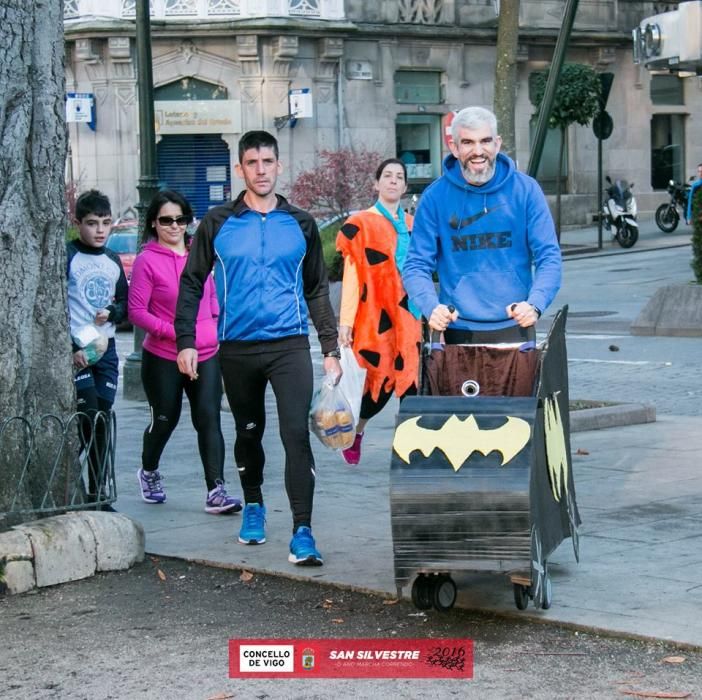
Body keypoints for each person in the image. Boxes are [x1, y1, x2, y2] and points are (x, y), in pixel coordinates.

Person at [175, 130, 341, 567]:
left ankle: (303, 531)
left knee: (294, 435)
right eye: (252, 163)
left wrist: (330, 348)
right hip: (237, 348)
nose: (261, 170)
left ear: (279, 165)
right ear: (240, 169)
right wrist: (186, 341)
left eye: (268, 161)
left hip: (289, 346)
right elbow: (191, 283)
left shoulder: (301, 223)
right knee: (248, 432)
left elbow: (317, 290)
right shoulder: (217, 223)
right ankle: (253, 504)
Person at [402, 106, 562, 343]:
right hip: (458, 328)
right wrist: (431, 307)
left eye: (485, 141)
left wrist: (535, 304)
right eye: (468, 142)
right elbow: (415, 265)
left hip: (517, 324)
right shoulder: (435, 197)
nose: (478, 151)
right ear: (454, 148)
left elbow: (549, 256)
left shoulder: (526, 190)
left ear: (497, 144)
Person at [128, 190, 241, 514]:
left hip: (205, 353)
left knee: (209, 418)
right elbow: (136, 311)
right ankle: (148, 470)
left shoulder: (198, 254)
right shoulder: (147, 261)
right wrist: (175, 333)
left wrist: (215, 326)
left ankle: (216, 490)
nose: (175, 226)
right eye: (166, 220)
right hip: (164, 355)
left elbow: (211, 297)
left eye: (181, 219)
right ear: (154, 222)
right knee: (165, 419)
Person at [336, 158, 421, 465]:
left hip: (410, 317)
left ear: (406, 186)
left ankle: (411, 449)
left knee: (411, 380)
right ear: (376, 183)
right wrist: (345, 323)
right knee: (377, 382)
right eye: (387, 175)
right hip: (374, 317)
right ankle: (357, 431)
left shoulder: (414, 225)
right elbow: (352, 276)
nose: (393, 181)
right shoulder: (361, 224)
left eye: (400, 177)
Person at [67, 189, 128, 508]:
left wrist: (113, 313)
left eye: (106, 223)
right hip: (79, 352)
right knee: (86, 417)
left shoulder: (113, 260)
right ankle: (66, 482)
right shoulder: (68, 256)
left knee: (102, 420)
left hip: (107, 351)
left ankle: (97, 492)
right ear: (78, 224)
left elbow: (126, 304)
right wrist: (71, 348)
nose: (100, 230)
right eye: (92, 223)